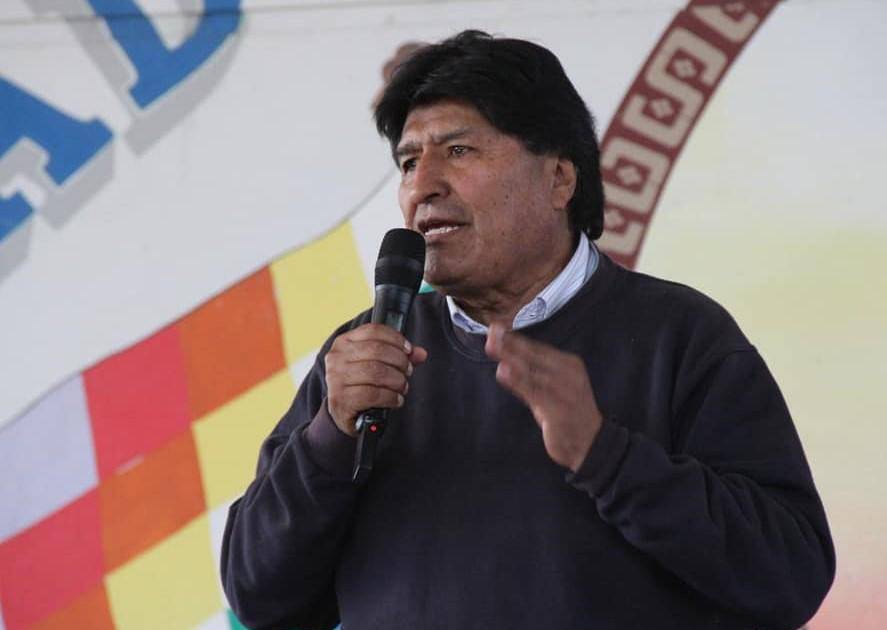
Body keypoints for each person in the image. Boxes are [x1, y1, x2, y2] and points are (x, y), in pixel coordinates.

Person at [221, 30, 834, 629]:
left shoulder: (680, 336)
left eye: (458, 151)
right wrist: (330, 438)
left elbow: (790, 576)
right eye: (409, 162)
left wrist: (607, 456)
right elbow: (259, 598)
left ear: (559, 179)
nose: (423, 185)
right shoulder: (366, 355)